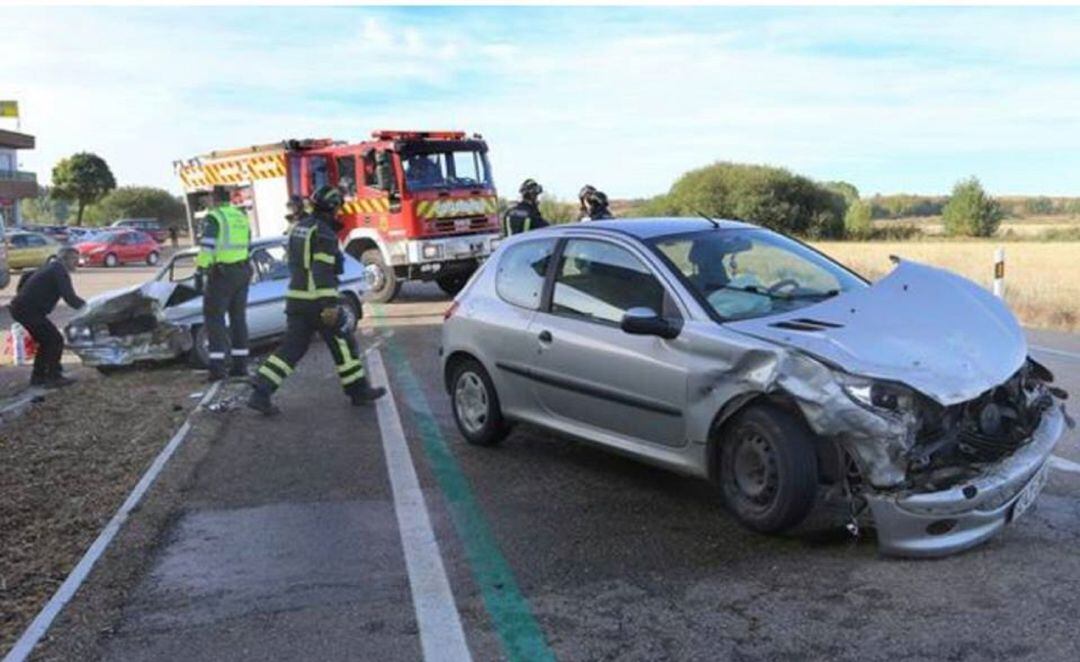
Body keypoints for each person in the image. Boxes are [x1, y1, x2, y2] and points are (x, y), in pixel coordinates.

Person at [247, 185, 386, 416]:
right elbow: (321, 271)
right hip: (317, 301)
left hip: (296, 299)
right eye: (338, 209)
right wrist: (329, 305)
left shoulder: (298, 228)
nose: (339, 213)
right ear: (331, 208)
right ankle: (358, 391)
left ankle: (261, 391)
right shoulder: (324, 234)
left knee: (291, 350)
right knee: (343, 344)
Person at [196, 186, 252, 381]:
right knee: (238, 318)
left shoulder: (215, 217)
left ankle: (217, 368)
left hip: (222, 274)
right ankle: (240, 365)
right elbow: (248, 243)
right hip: (243, 271)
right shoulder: (240, 216)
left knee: (214, 319)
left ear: (214, 199)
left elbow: (208, 246)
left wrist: (201, 268)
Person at [9, 247, 85, 388]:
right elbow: (69, 297)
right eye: (75, 259)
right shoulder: (59, 271)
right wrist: (88, 308)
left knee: (47, 341)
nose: (77, 262)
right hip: (28, 311)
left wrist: (23, 296)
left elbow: (26, 276)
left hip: (22, 308)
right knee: (54, 340)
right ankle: (53, 377)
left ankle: (39, 377)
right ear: (65, 259)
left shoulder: (51, 266)